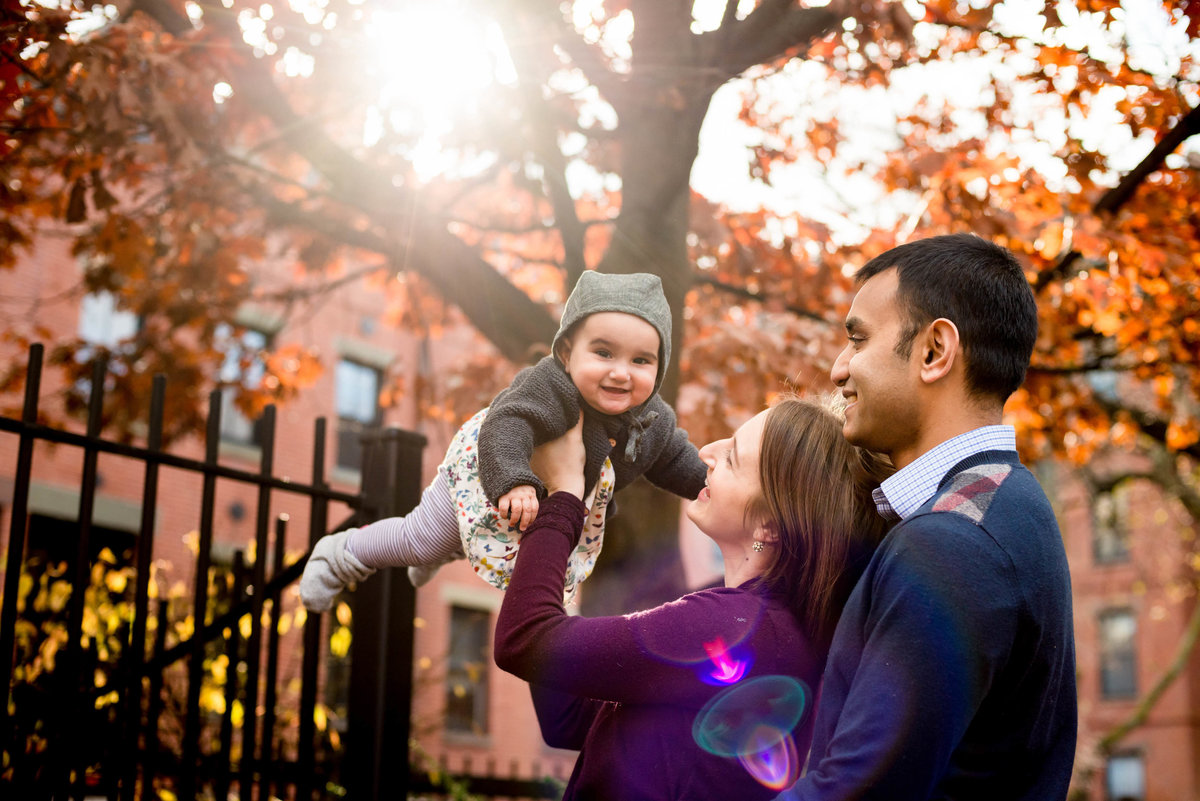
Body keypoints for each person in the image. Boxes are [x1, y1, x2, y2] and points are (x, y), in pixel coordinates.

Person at [781, 233, 1077, 799]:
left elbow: (859, 788)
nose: (839, 369)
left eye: (858, 339)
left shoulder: (953, 541)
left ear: (935, 351)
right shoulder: (1010, 503)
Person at [493, 395, 893, 801]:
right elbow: (569, 721)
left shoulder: (733, 628)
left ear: (769, 526)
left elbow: (525, 640)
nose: (707, 452)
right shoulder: (768, 629)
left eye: (733, 457)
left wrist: (562, 499)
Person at [299, 271, 709, 611]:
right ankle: (342, 554)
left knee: (510, 557)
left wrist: (710, 484)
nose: (622, 373)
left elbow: (675, 458)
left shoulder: (651, 418)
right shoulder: (550, 386)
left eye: (641, 361)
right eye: (603, 353)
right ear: (567, 354)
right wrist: (512, 479)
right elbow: (509, 424)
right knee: (420, 539)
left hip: (536, 504)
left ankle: (450, 547)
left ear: (659, 366)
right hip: (487, 470)